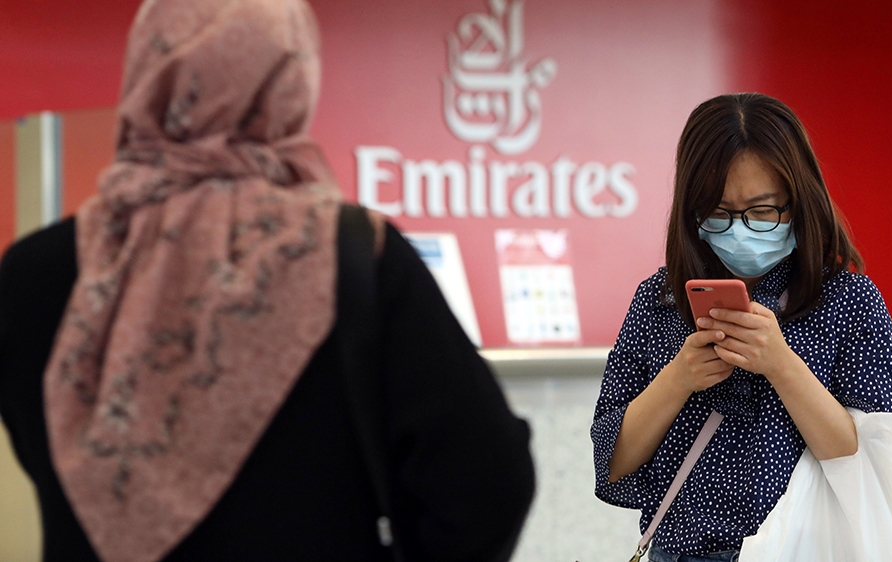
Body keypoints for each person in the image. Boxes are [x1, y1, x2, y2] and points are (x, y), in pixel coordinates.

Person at [0, 0, 534, 561]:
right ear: (289, 82)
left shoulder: (34, 272)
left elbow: (37, 452)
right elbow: (488, 481)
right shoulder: (350, 256)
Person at [591, 93, 892, 561]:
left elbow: (871, 463)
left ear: (798, 203)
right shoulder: (659, 301)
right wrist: (678, 378)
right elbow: (611, 462)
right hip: (682, 551)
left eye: (762, 211)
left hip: (803, 549)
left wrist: (781, 365)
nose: (740, 230)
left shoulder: (849, 302)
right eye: (718, 211)